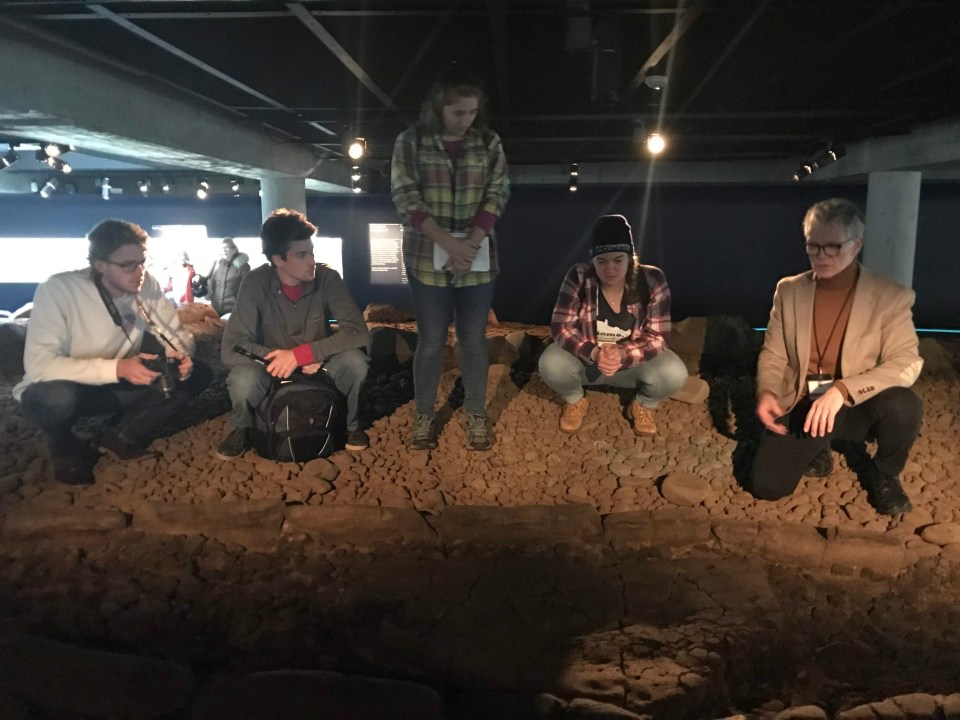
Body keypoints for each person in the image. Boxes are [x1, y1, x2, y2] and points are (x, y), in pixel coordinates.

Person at [752, 198, 924, 515]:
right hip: (806, 396)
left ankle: (885, 473)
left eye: (832, 247)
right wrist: (768, 392)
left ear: (856, 245)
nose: (821, 256)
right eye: (813, 246)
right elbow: (774, 353)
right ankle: (819, 444)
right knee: (768, 485)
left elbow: (906, 362)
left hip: (855, 401)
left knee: (904, 405)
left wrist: (843, 390)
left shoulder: (890, 296)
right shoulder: (789, 290)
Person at [13, 219, 213, 485]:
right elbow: (40, 365)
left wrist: (180, 354)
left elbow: (175, 335)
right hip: (71, 389)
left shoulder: (146, 284)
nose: (139, 272)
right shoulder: (59, 290)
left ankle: (118, 435)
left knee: (198, 373)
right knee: (54, 398)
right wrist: (117, 368)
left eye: (142, 262)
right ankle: (62, 445)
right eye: (128, 265)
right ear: (100, 265)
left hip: (119, 383)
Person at [390, 63, 510, 451]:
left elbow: (498, 192)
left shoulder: (488, 142)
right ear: (439, 106)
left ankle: (476, 412)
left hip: (476, 258)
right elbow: (406, 196)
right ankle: (424, 414)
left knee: (473, 339)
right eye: (458, 112)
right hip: (427, 258)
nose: (466, 120)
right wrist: (449, 243)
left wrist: (469, 242)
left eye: (472, 112)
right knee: (431, 340)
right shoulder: (410, 142)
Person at [217, 208, 370, 459]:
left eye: (311, 252)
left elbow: (358, 333)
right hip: (272, 367)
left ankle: (350, 426)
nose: (311, 261)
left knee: (355, 362)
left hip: (318, 365)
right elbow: (232, 347)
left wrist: (303, 355)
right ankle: (243, 428)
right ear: (278, 259)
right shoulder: (255, 283)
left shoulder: (328, 278)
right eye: (301, 255)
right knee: (243, 378)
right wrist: (284, 360)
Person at [539, 214, 688, 436]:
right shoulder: (578, 276)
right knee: (551, 363)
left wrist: (622, 353)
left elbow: (658, 337)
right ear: (593, 261)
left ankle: (643, 404)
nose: (610, 269)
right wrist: (595, 352)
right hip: (589, 360)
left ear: (630, 258)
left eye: (618, 260)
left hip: (632, 361)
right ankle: (575, 400)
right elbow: (561, 327)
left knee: (674, 373)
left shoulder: (652, 279)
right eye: (602, 261)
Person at [202, 237, 250, 316]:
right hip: (215, 309)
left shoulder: (243, 266)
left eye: (227, 248)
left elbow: (247, 288)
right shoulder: (217, 264)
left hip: (233, 310)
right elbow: (210, 282)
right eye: (222, 248)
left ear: (234, 250)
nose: (224, 250)